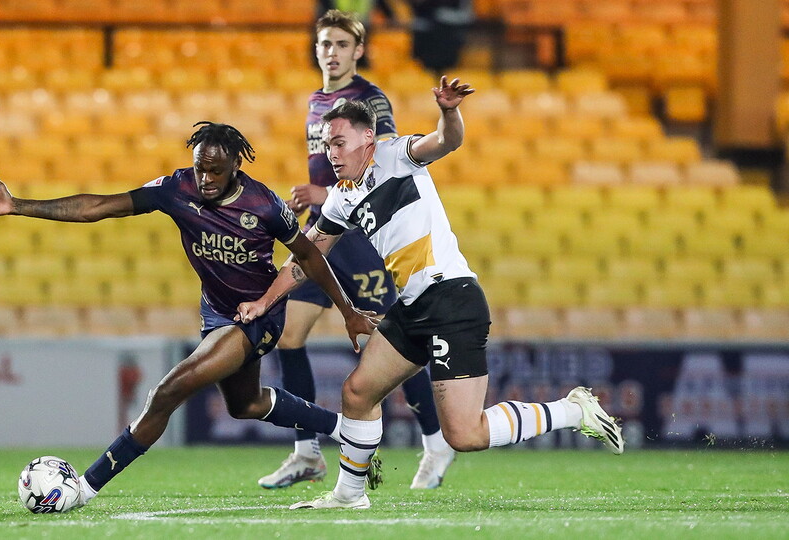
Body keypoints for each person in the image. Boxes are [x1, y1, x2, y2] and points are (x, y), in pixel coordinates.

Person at [237, 79, 625, 510]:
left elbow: (446, 141)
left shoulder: (395, 156)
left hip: (452, 300)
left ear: (368, 138)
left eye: (340, 142)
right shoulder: (342, 199)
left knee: (465, 435)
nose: (332, 152)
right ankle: (349, 496)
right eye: (328, 144)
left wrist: (449, 110)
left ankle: (574, 410)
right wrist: (264, 302)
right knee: (358, 393)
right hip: (413, 305)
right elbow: (305, 258)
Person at [0, 122, 379, 509]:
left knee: (167, 391)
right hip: (216, 313)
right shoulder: (176, 189)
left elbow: (307, 254)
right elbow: (98, 207)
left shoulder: (263, 204)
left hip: (258, 317)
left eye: (215, 171)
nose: (206, 179)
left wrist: (347, 311)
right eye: (200, 169)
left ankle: (82, 489)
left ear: (236, 164)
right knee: (246, 403)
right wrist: (18, 206)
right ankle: (349, 432)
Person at [258, 9, 455, 491]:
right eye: (325, 43)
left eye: (341, 44)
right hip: (324, 234)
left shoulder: (369, 99)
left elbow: (380, 167)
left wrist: (323, 195)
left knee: (389, 344)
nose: (331, 52)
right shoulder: (316, 99)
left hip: (361, 240)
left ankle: (436, 441)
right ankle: (307, 453)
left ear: (358, 50)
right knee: (288, 335)